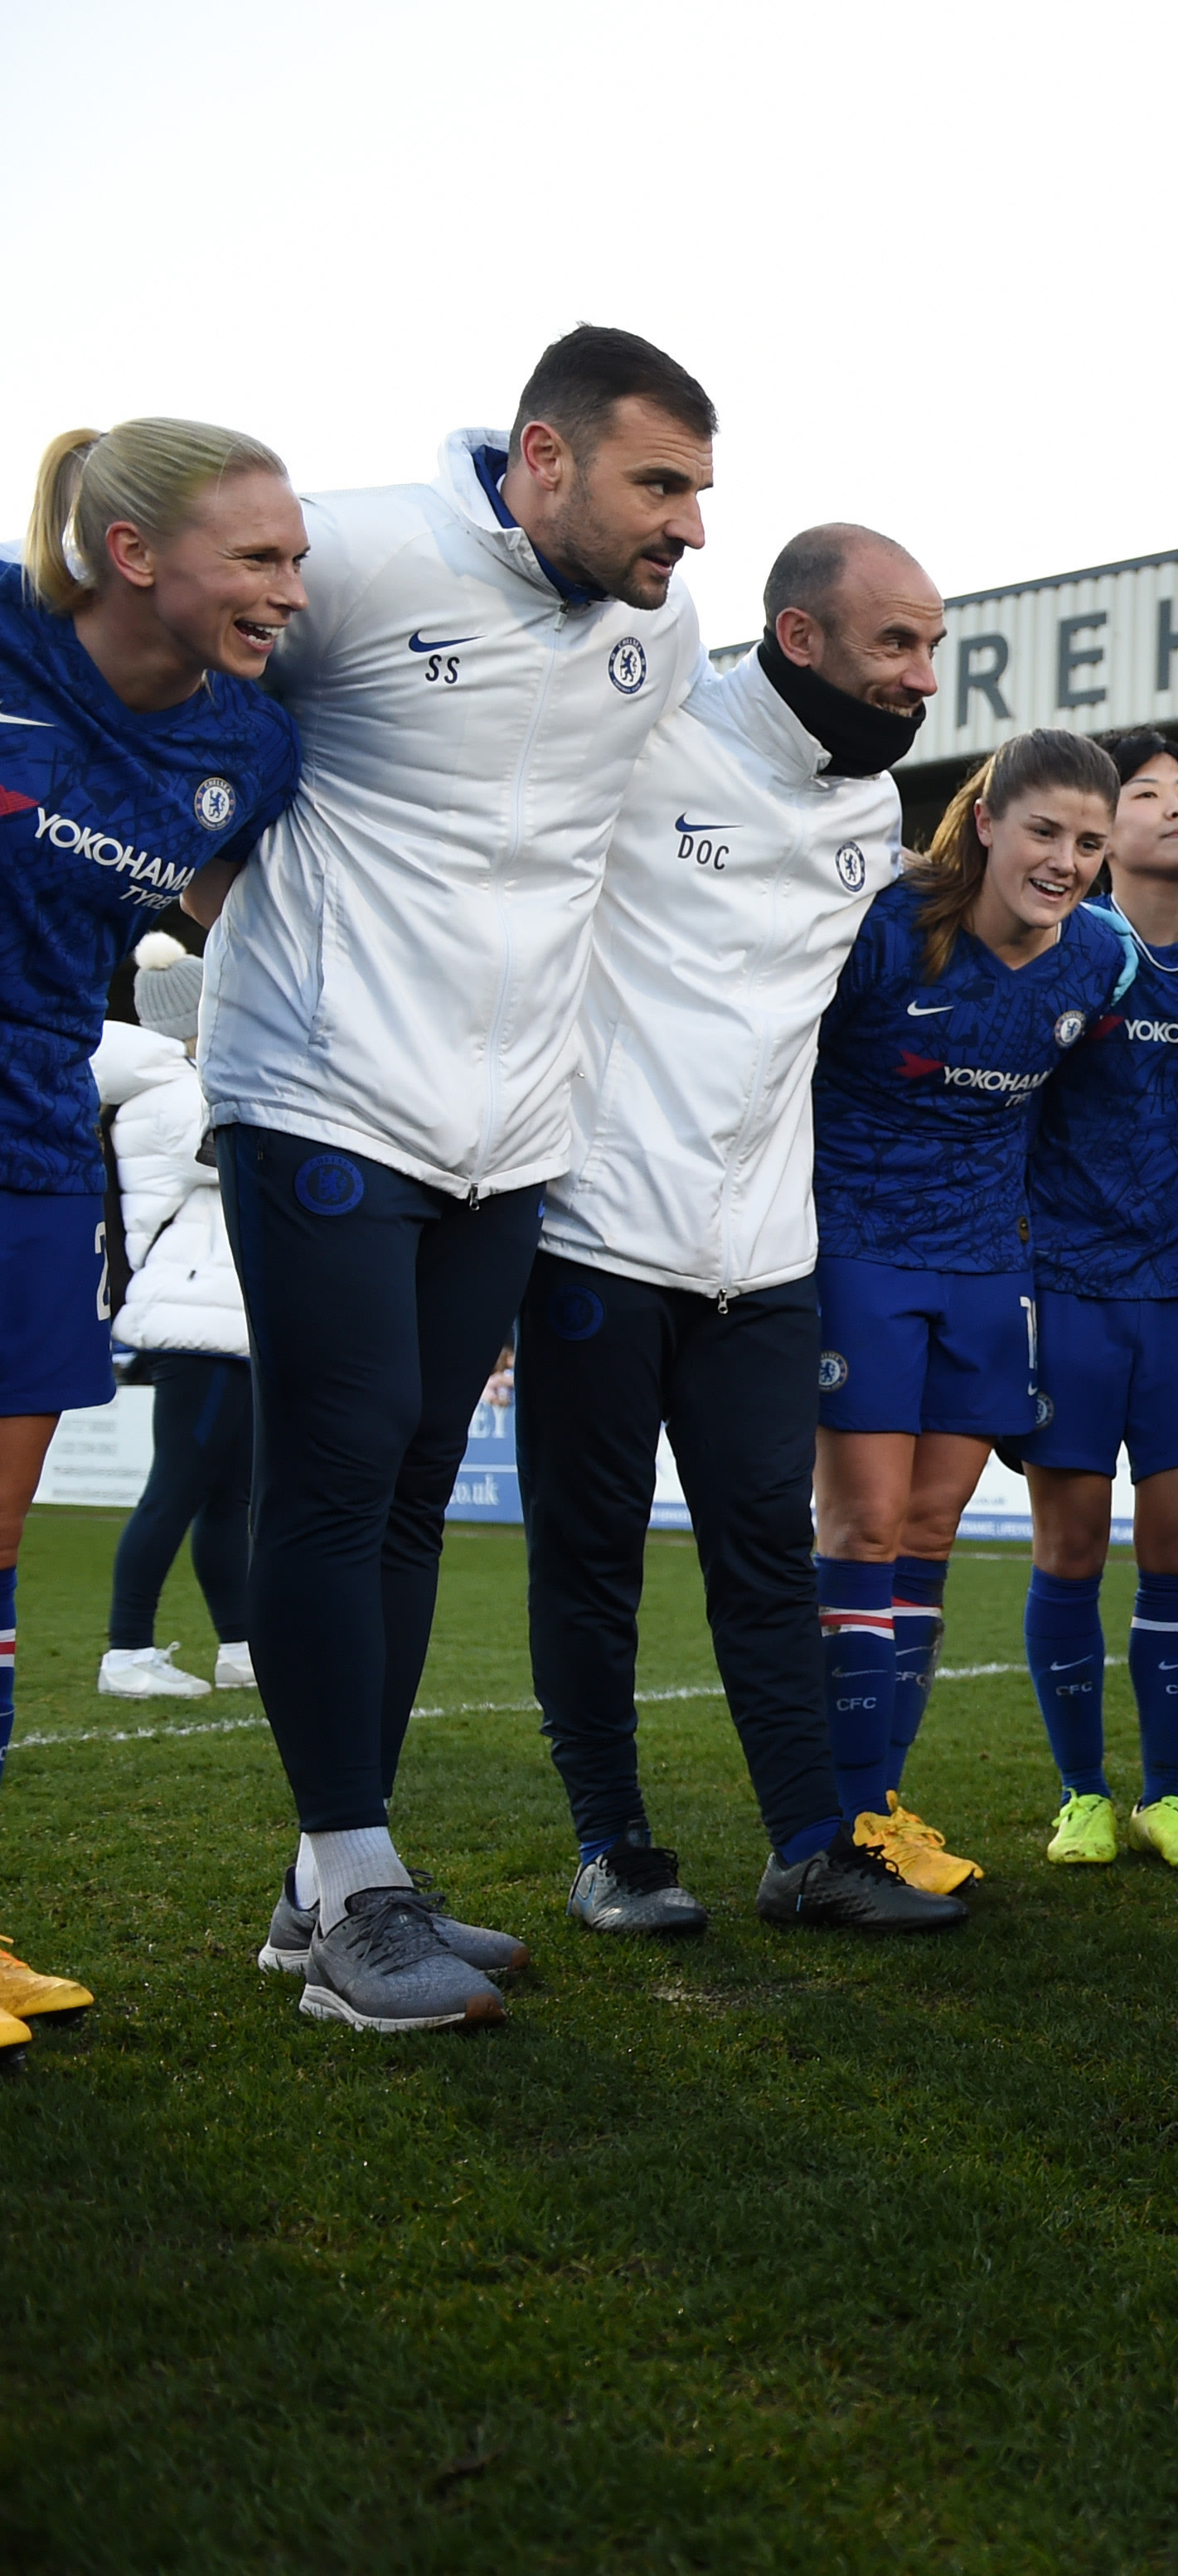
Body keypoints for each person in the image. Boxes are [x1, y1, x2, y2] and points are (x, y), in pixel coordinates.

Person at [199, 329, 710, 2035]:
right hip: (325, 1096)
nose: (690, 527)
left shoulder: (664, 629)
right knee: (333, 1478)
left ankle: (325, 1880)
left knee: (413, 1487)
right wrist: (189, 894)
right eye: (660, 484)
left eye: (701, 490)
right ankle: (357, 1902)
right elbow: (156, 690)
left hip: (516, 1137)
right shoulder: (342, 553)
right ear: (543, 459)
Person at [513, 522, 964, 1939]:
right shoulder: (649, 736)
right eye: (896, 643)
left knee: (766, 1553)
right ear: (798, 637)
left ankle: (810, 1846)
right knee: (590, 1556)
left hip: (768, 1257)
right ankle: (612, 1845)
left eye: (935, 647)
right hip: (595, 1230)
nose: (923, 675)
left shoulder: (870, 821)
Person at [2, 420, 303, 2053]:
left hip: (35, 1148)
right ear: (133, 557)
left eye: (296, 556)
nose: (289, 589)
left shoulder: (249, 748)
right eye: (258, 557)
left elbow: (232, 912)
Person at [808, 730, 1136, 1900]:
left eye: (1090, 843)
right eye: (1044, 831)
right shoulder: (883, 925)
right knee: (861, 1530)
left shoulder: (1098, 958)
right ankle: (831, 1824)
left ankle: (882, 1813)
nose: (1066, 862)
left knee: (932, 1532)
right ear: (985, 817)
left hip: (985, 1271)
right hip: (858, 1257)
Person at [1006, 727, 1178, 1876]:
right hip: (1069, 1291)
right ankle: (1081, 1795)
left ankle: (1167, 1794)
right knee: (1067, 1551)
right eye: (1147, 793)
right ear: (1107, 835)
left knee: (1176, 1552)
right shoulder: (1067, 945)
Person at [93, 937, 249, 1702]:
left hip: (219, 1317)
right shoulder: (175, 1095)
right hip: (198, 1320)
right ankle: (126, 1650)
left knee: (226, 1499)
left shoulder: (175, 1088)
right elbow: (239, 1154)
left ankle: (241, 1646)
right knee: (177, 1490)